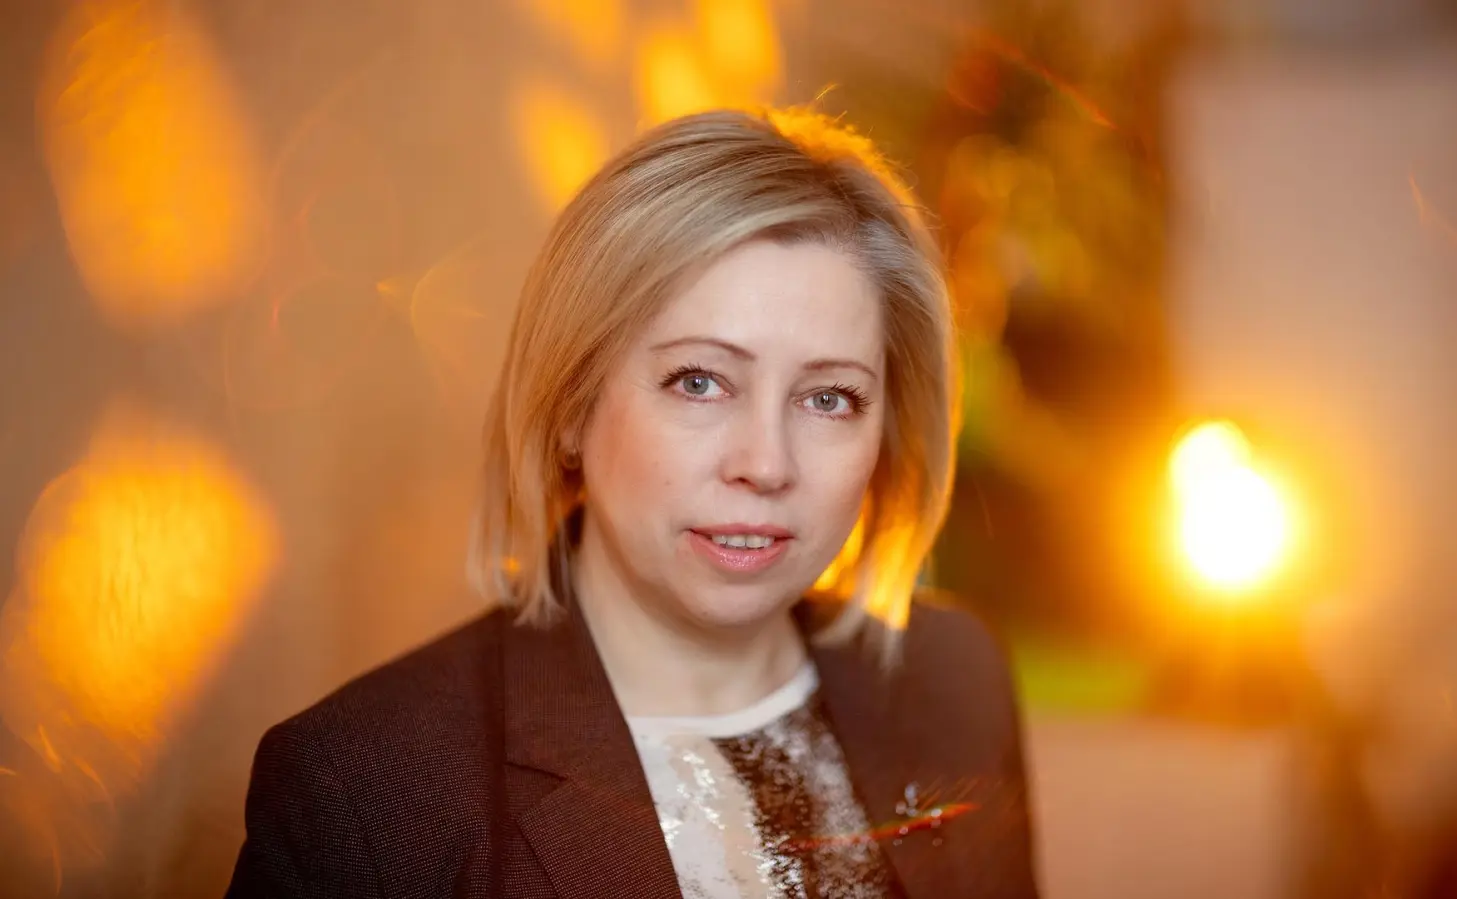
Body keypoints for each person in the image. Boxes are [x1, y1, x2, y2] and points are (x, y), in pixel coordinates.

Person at [225, 106, 1039, 899]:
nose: (765, 463)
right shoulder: (362, 793)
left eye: (828, 397)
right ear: (572, 403)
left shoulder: (955, 677)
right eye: (698, 381)